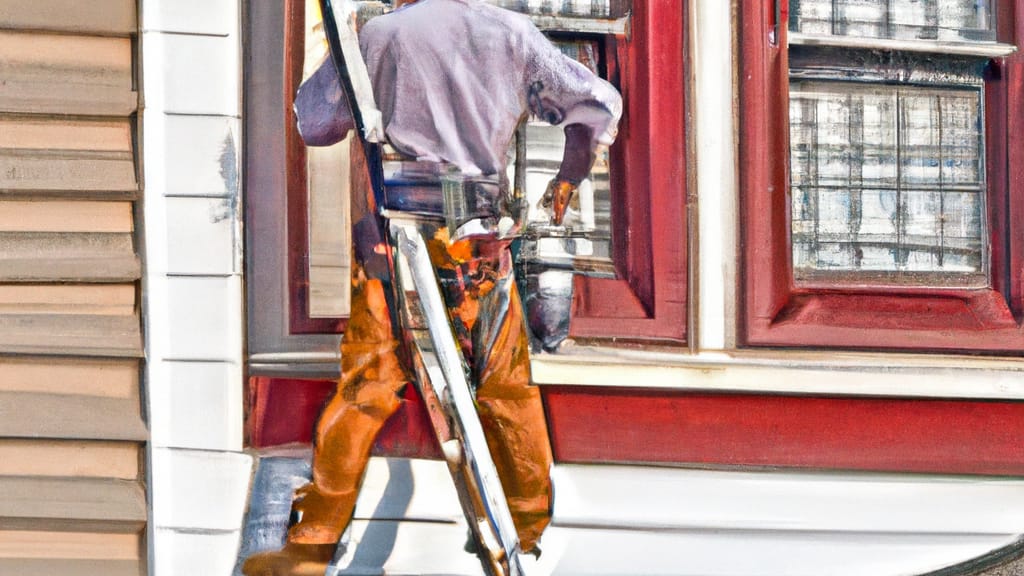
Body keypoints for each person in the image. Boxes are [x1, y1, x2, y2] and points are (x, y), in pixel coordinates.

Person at [243, 0, 620, 573]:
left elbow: (314, 125)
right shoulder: (511, 33)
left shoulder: (382, 36)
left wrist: (344, 47)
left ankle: (313, 544)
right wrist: (569, 176)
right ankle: (523, 531)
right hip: (478, 243)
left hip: (395, 245)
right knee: (504, 389)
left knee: (366, 388)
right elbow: (595, 105)